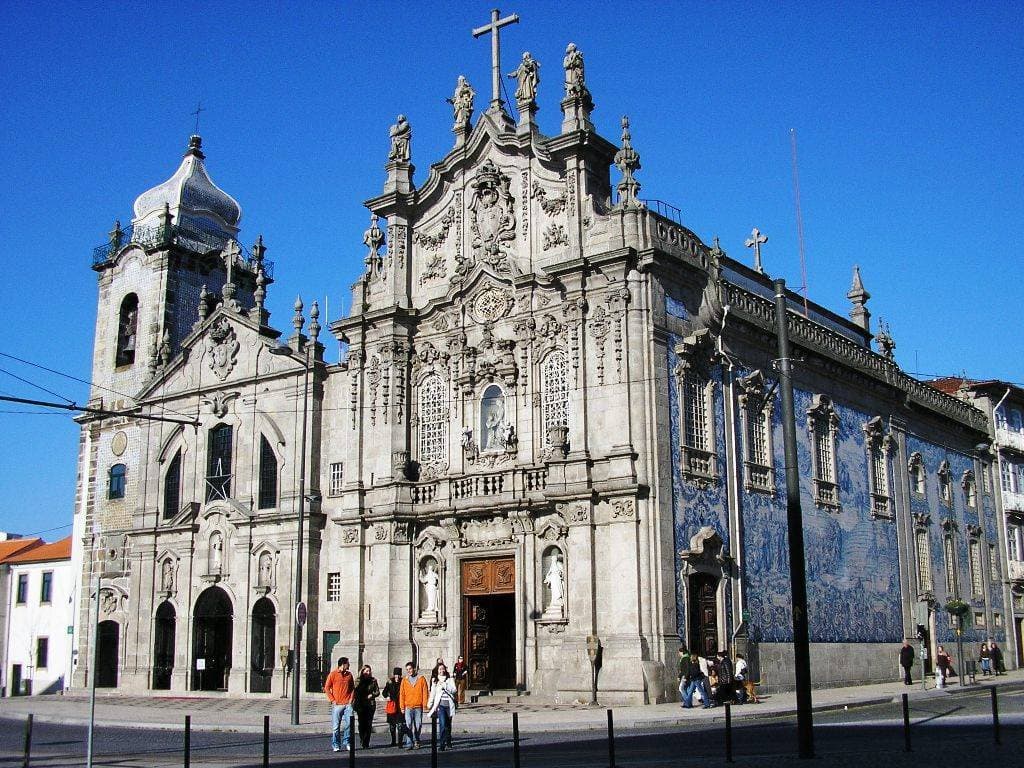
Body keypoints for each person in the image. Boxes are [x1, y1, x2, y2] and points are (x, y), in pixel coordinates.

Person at [323, 656, 355, 752]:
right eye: (348, 663)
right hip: (337, 704)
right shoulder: (333, 674)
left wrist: (351, 699)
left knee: (349, 723)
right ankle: (336, 744)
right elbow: (327, 688)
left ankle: (347, 741)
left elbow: (352, 688)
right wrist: (332, 700)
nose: (349, 665)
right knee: (336, 727)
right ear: (343, 664)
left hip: (347, 703)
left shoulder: (349, 675)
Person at [427, 662, 458, 750]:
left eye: (443, 669)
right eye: (440, 669)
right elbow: (433, 693)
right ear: (437, 671)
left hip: (449, 705)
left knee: (448, 725)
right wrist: (430, 703)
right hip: (441, 705)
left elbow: (454, 690)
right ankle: (442, 744)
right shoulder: (435, 680)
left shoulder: (450, 679)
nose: (442, 671)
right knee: (442, 724)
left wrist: (445, 685)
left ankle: (448, 740)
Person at [399, 662, 429, 749]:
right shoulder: (405, 680)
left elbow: (425, 693)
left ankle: (417, 740)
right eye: (407, 669)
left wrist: (425, 705)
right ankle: (409, 743)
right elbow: (402, 694)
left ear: (414, 669)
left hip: (418, 707)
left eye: (410, 669)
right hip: (408, 706)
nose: (409, 671)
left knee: (418, 725)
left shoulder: (421, 679)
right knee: (408, 724)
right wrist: (402, 707)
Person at [354, 665, 380, 749]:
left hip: (370, 704)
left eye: (369, 671)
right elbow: (354, 692)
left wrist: (372, 695)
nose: (368, 673)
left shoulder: (373, 680)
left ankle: (366, 742)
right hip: (360, 704)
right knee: (361, 724)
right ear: (362, 671)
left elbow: (377, 692)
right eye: (366, 671)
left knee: (369, 724)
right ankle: (362, 738)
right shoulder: (358, 681)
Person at [381, 667, 405, 747]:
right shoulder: (390, 682)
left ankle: (400, 742)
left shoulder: (403, 682)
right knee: (392, 725)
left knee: (400, 724)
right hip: (392, 705)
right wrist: (387, 696)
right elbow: (384, 693)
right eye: (396, 675)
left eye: (398, 675)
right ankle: (393, 741)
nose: (397, 676)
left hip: (400, 705)